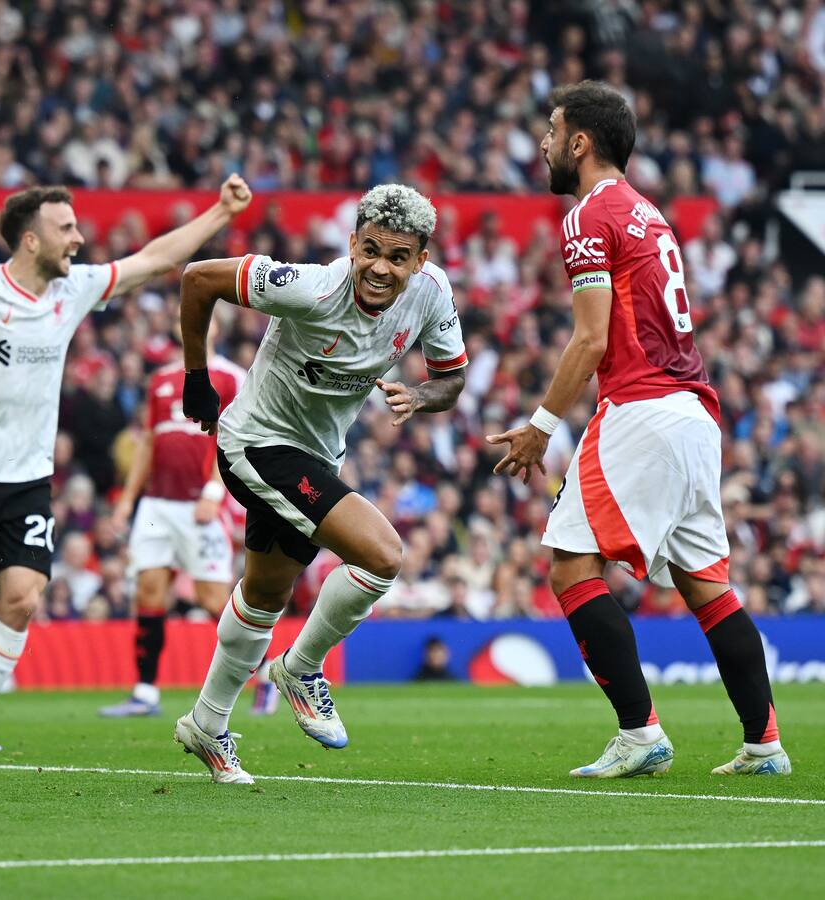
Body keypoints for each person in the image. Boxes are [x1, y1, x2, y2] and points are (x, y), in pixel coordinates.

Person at [0, 145, 252, 750]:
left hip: (28, 478)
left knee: (24, 597)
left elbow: (154, 260)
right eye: (66, 228)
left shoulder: (74, 289)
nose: (79, 238)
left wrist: (219, 212)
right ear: (30, 240)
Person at [487, 81, 789, 778]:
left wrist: (539, 426)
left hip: (642, 406)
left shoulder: (589, 214)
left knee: (568, 563)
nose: (544, 143)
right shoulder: (649, 213)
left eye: (553, 129)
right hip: (693, 414)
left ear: (580, 143)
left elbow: (590, 339)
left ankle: (639, 733)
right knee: (705, 583)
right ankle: (764, 743)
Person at [174, 184, 467, 783]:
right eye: (371, 251)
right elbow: (198, 278)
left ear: (422, 261)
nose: (381, 268)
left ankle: (206, 724)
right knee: (382, 554)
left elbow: (452, 378)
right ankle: (303, 666)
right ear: (353, 244)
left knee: (263, 598)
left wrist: (420, 395)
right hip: (256, 443)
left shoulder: (433, 297)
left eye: (399, 257)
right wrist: (196, 379)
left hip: (315, 457)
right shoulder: (310, 286)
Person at [98, 342, 279, 718]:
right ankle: (145, 692)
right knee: (149, 593)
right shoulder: (161, 379)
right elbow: (149, 440)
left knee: (212, 599)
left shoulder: (229, 376)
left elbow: (234, 435)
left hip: (200, 505)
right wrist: (128, 500)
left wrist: (215, 491)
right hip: (156, 505)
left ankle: (267, 674)